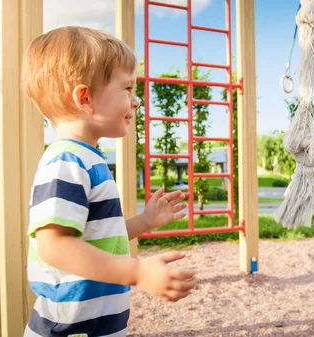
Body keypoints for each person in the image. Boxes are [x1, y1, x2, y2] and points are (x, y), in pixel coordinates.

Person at [21, 26, 196, 336]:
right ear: (85, 97)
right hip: (70, 329)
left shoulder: (87, 159)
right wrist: (137, 271)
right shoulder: (66, 161)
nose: (136, 101)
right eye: (127, 89)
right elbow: (54, 245)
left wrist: (143, 221)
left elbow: (91, 238)